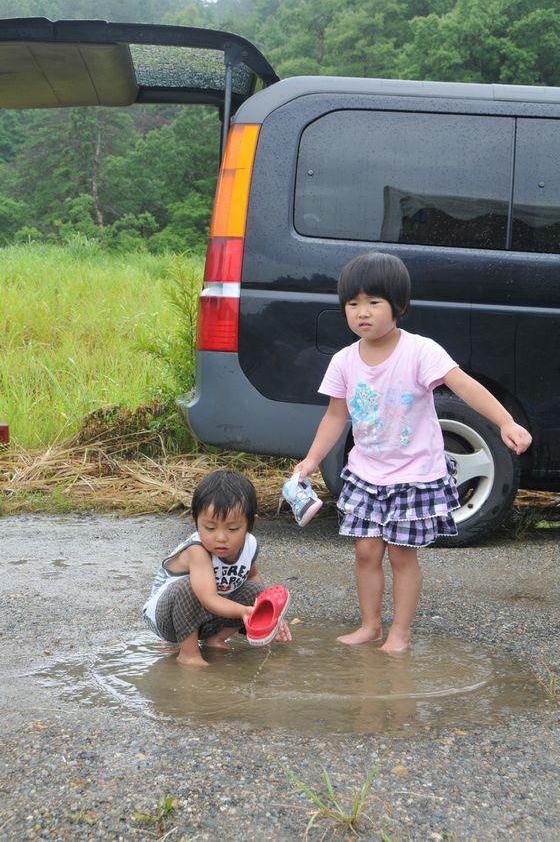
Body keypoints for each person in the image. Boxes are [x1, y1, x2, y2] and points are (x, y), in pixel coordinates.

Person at [294, 252, 532, 653]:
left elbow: (465, 386)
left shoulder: (421, 351)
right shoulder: (344, 361)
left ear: (398, 305)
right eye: (352, 304)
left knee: (402, 555)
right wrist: (312, 459)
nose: (362, 313)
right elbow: (336, 417)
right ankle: (370, 625)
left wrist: (506, 421)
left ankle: (399, 633)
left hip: (414, 474)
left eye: (373, 302)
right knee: (366, 550)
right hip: (367, 473)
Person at [142, 469, 291, 667]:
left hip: (206, 618)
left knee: (255, 592)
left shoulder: (249, 545)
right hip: (166, 618)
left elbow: (252, 575)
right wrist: (245, 612)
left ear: (250, 523)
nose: (220, 538)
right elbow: (207, 598)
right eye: (210, 528)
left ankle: (216, 639)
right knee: (188, 588)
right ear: (196, 521)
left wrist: (267, 616)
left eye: (232, 529)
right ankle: (188, 653)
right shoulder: (197, 551)